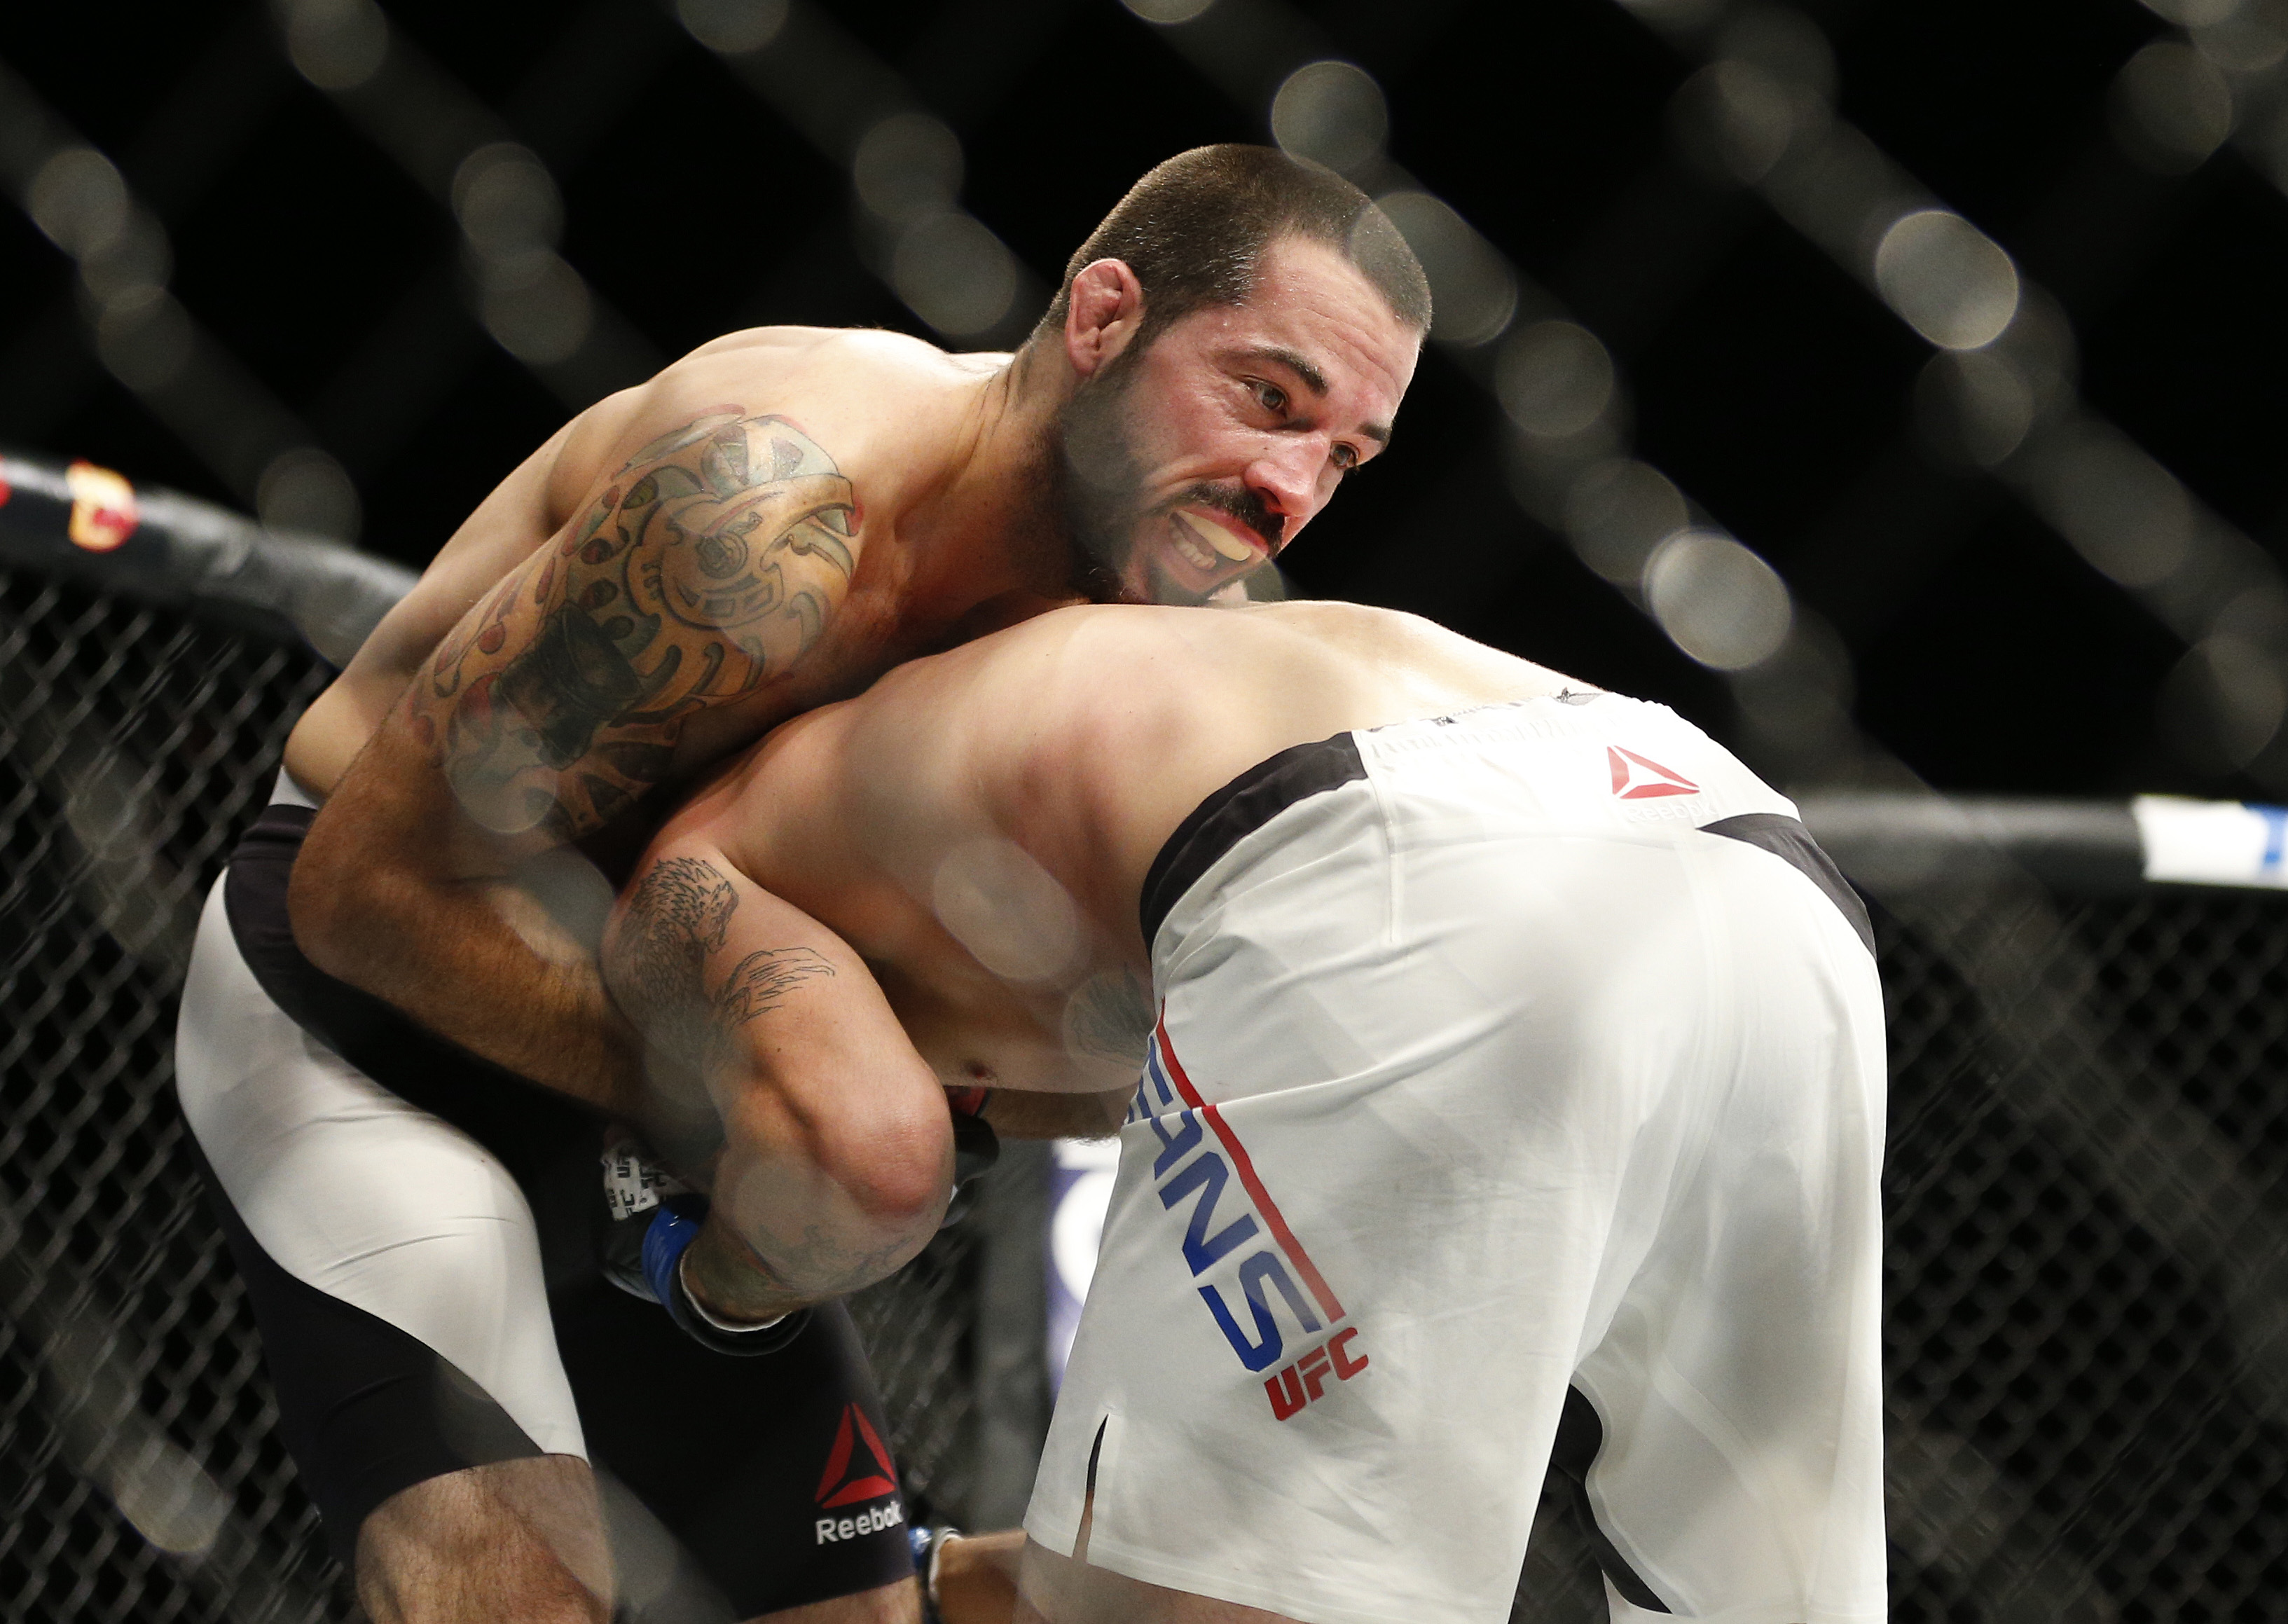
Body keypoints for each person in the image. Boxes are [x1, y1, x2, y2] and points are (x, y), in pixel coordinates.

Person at [171, 146, 1429, 1624]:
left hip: (693, 1078)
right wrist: (786, 1120)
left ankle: (948, 1577)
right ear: (1101, 319)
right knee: (511, 1593)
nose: (1286, 488)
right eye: (1266, 397)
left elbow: (1069, 1056)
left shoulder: (1175, 659)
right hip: (384, 1008)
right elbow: (364, 887)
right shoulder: (767, 505)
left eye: (1343, 456)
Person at [604, 599, 1890, 1624]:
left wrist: (703, 1275)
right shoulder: (1049, 699)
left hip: (1396, 875)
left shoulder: (702, 847)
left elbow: (869, 1166)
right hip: (1751, 863)